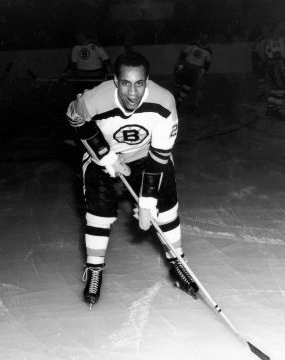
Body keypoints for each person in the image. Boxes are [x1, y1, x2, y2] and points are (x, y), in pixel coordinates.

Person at [66, 51, 198, 308]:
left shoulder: (164, 103)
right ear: (116, 81)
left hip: (147, 156)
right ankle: (94, 270)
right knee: (99, 213)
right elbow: (74, 118)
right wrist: (106, 156)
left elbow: (159, 157)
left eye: (140, 84)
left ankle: (178, 262)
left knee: (166, 208)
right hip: (104, 155)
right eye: (126, 83)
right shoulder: (94, 99)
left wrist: (148, 202)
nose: (133, 92)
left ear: (147, 81)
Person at [174, 35, 212, 110]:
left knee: (187, 84)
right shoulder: (194, 45)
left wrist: (203, 71)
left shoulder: (207, 51)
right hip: (186, 65)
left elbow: (207, 64)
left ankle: (179, 100)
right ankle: (178, 93)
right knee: (179, 79)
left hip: (194, 69)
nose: (203, 42)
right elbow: (183, 53)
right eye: (203, 40)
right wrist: (180, 62)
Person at [263, 22, 285, 121]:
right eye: (280, 26)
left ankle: (270, 110)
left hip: (273, 67)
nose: (282, 27)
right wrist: (283, 68)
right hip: (276, 67)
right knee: (281, 88)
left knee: (275, 89)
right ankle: (278, 111)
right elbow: (277, 56)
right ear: (276, 29)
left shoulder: (272, 40)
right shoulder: (275, 40)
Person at [252, 24, 270, 101]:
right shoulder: (259, 39)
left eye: (266, 29)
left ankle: (269, 94)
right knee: (261, 77)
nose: (265, 30)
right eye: (263, 29)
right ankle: (262, 94)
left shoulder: (271, 38)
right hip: (262, 60)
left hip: (270, 60)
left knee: (270, 77)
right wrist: (258, 61)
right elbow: (255, 50)